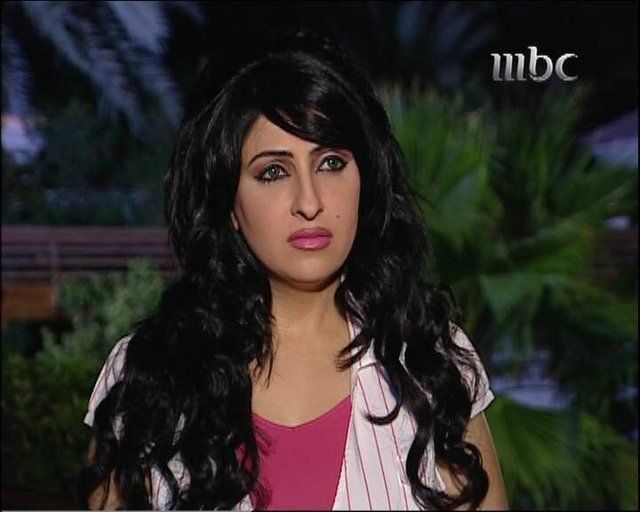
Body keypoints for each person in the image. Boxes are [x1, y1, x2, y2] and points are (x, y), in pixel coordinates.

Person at [79, 27, 508, 510]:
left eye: (331, 163)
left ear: (365, 177)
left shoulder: (432, 362)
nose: (309, 201)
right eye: (273, 172)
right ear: (228, 203)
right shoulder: (147, 376)